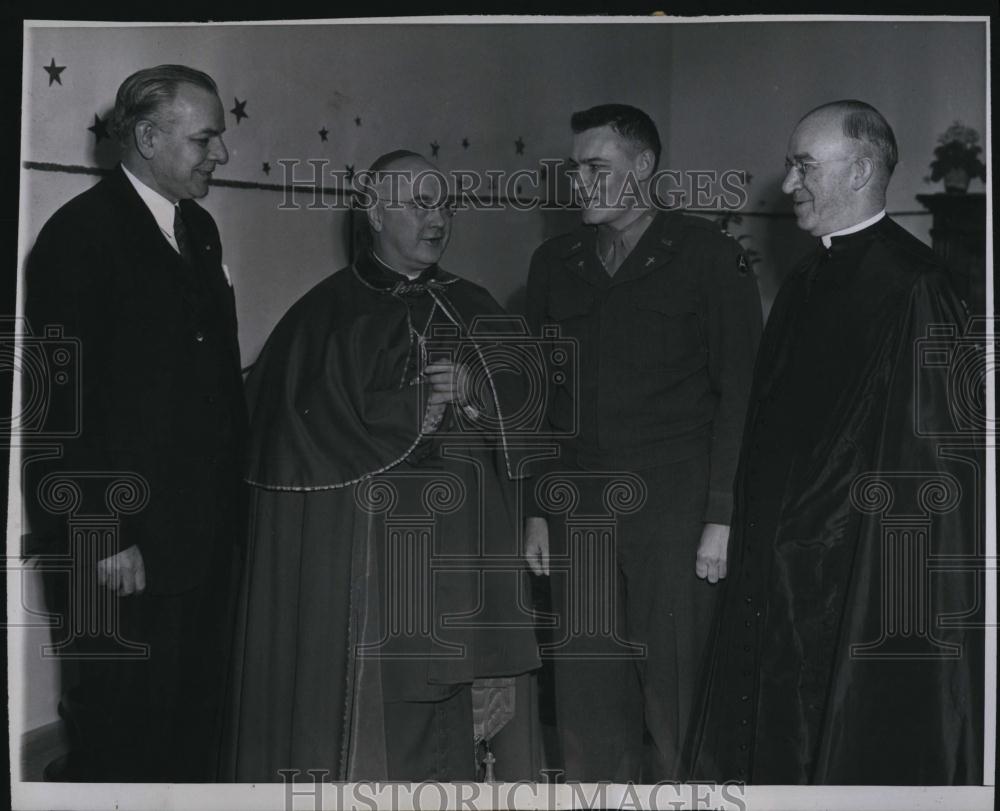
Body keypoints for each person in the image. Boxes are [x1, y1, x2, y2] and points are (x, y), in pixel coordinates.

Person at [685, 100, 984, 784]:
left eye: (803, 166)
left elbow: (928, 468)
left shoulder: (919, 285)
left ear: (859, 171)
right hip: (777, 571)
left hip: (850, 579)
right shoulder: (804, 277)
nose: (788, 184)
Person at [223, 150, 540, 782]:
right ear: (373, 210)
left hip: (468, 563)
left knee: (467, 723)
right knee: (395, 731)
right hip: (376, 567)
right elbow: (296, 431)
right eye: (418, 203)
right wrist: (414, 405)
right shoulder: (320, 317)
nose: (438, 218)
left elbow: (532, 406)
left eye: (444, 204)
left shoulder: (474, 302)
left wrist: (478, 390)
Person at [523, 104, 762, 781]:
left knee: (679, 696)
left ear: (644, 167)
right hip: (580, 507)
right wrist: (537, 507)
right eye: (575, 169)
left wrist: (721, 513)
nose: (580, 183)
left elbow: (742, 391)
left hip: (676, 503)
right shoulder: (555, 262)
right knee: (586, 698)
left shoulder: (710, 256)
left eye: (596, 168)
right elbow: (539, 398)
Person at [23, 65, 246, 781]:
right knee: (121, 737)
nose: (222, 153)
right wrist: (107, 534)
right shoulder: (77, 237)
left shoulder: (200, 230)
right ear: (149, 137)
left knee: (192, 727)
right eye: (205, 137)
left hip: (196, 538)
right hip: (117, 550)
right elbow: (61, 407)